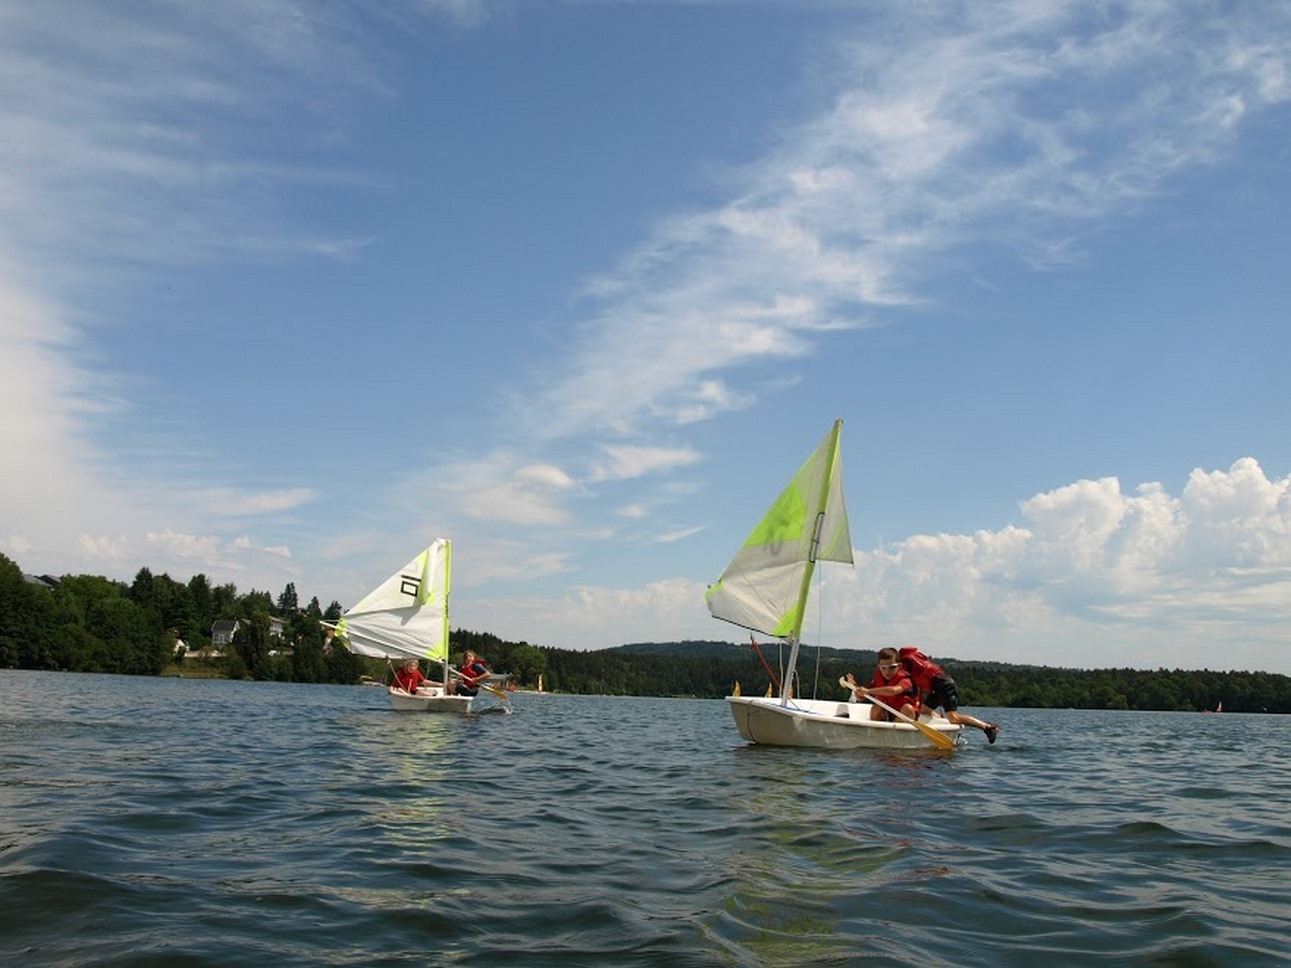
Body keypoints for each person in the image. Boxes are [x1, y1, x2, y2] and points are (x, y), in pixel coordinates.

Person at [898, 646, 1000, 744]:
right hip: (937, 687)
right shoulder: (916, 666)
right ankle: (943, 724)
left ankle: (987, 727)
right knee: (924, 711)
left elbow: (920, 688)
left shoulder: (917, 666)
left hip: (944, 685)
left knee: (953, 718)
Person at [844, 647, 920, 722]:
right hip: (887, 716)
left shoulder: (905, 680)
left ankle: (894, 731)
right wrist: (855, 688)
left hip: (902, 718)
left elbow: (893, 691)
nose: (887, 672)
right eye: (883, 668)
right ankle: (876, 730)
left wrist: (868, 691)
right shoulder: (879, 679)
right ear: (879, 667)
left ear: (899, 666)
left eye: (892, 667)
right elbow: (861, 698)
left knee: (908, 708)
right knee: (878, 705)